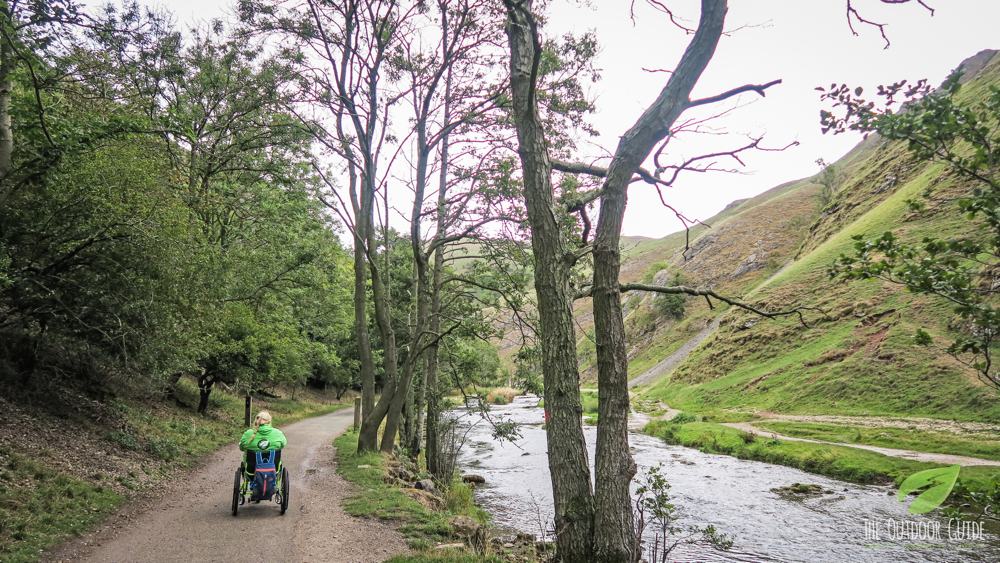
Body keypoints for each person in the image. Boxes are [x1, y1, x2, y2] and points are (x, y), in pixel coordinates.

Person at [239, 410, 287, 475]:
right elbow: (283, 445)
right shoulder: (278, 433)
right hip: (273, 470)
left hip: (251, 471)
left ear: (256, 421)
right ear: (269, 421)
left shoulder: (248, 434)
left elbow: (241, 447)